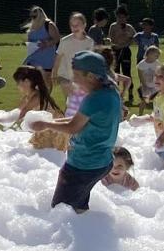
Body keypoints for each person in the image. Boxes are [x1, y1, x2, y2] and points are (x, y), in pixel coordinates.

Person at [36, 51, 123, 214]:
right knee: (78, 207)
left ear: (91, 76)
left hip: (83, 165)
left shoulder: (94, 99)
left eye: (76, 75)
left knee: (61, 211)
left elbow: (72, 127)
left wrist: (44, 124)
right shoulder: (111, 92)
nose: (73, 80)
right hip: (102, 161)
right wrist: (50, 123)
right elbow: (79, 120)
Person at [52, 13, 94, 106]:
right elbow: (58, 57)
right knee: (71, 102)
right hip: (65, 76)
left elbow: (90, 61)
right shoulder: (65, 41)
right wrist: (54, 74)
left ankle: (70, 115)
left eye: (77, 25)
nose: (74, 27)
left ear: (84, 25)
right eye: (72, 25)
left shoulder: (89, 42)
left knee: (78, 104)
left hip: (81, 78)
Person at [108, 6, 137, 103]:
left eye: (122, 17)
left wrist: (127, 40)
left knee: (127, 72)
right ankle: (115, 94)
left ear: (126, 17)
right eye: (118, 17)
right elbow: (110, 38)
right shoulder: (113, 26)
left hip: (125, 51)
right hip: (115, 51)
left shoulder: (129, 27)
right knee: (115, 72)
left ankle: (130, 94)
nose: (120, 19)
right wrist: (113, 44)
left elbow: (135, 39)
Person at [23, 6, 60, 81]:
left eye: (35, 16)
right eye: (32, 16)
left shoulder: (49, 24)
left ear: (40, 15)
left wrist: (46, 43)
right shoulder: (32, 26)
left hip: (46, 59)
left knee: (46, 81)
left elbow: (57, 38)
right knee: (31, 80)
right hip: (33, 58)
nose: (33, 18)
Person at [136, 45, 161, 111]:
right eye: (156, 55)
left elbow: (159, 74)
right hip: (145, 85)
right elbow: (141, 77)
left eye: (158, 56)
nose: (157, 57)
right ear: (149, 54)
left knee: (157, 102)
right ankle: (140, 115)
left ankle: (157, 115)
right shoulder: (141, 64)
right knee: (144, 101)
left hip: (155, 86)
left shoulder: (157, 63)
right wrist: (145, 86)